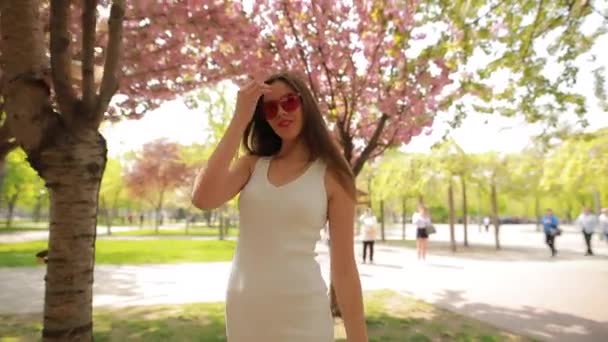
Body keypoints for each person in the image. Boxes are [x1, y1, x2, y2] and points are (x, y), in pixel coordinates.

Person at [191, 72, 368, 342]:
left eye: (289, 102)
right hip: (245, 309)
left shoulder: (333, 175)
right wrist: (239, 119)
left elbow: (344, 269)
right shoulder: (251, 165)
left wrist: (359, 338)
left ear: (305, 103)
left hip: (304, 312)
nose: (281, 113)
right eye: (270, 108)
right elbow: (203, 198)